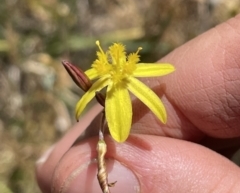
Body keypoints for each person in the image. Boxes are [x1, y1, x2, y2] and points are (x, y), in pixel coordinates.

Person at [36, 14, 240, 193]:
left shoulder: (134, 78)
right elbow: (90, 103)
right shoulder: (102, 82)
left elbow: (163, 79)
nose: (116, 62)